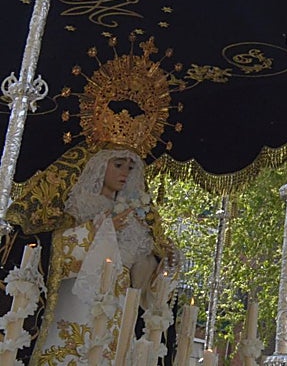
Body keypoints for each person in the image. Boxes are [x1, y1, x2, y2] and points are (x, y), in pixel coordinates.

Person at [9, 146, 174, 364]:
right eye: (118, 165)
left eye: (130, 167)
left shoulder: (136, 219)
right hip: (78, 302)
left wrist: (163, 270)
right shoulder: (78, 206)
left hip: (119, 310)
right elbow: (54, 254)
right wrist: (98, 232)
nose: (125, 172)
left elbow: (143, 284)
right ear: (99, 165)